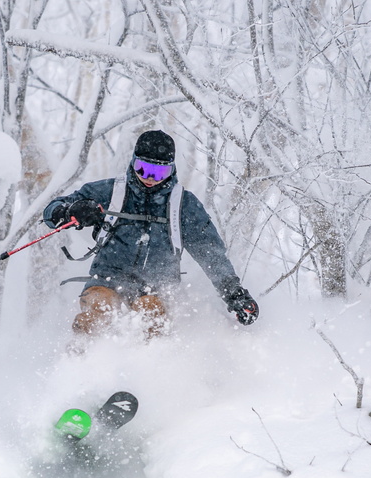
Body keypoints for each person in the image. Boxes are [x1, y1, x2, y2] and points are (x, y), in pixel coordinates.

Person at [43, 129, 258, 338]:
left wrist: (233, 293)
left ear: (171, 170)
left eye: (159, 172)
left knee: (150, 311)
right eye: (143, 168)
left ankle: (150, 366)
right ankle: (80, 366)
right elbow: (52, 211)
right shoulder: (111, 191)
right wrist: (71, 211)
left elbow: (210, 254)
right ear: (133, 162)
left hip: (157, 288)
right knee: (99, 311)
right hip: (107, 280)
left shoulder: (183, 205)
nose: (150, 178)